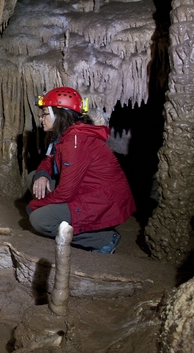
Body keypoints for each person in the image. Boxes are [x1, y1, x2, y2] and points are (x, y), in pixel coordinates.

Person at [27, 87, 136, 254]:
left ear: (58, 115)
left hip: (101, 200)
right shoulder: (65, 135)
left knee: (39, 219)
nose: (41, 118)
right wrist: (42, 175)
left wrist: (36, 205)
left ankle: (104, 239)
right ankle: (80, 225)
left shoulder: (76, 142)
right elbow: (49, 159)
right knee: (34, 179)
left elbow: (65, 193)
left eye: (45, 114)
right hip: (86, 191)